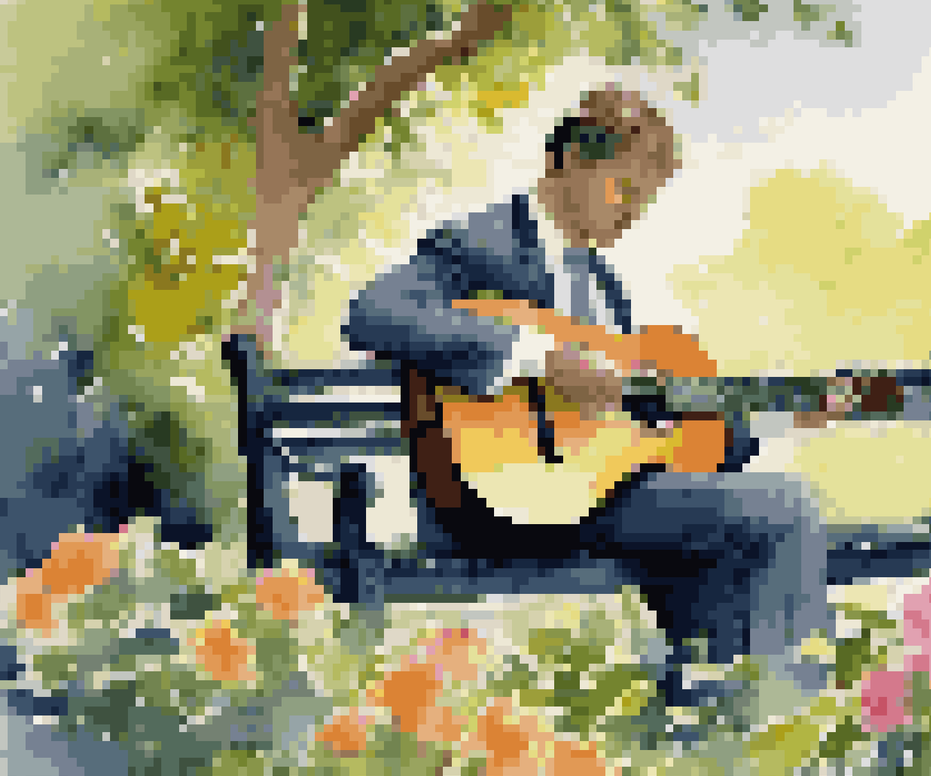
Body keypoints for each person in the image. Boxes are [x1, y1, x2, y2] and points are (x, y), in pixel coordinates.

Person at [343, 87, 833, 709]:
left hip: (586, 497)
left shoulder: (601, 283)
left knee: (734, 515)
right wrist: (536, 359)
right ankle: (790, 722)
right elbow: (374, 312)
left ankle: (713, 716)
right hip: (495, 503)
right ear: (571, 160)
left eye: (645, 200)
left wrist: (775, 420)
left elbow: (637, 432)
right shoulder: (484, 242)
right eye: (623, 189)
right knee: (782, 506)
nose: (632, 213)